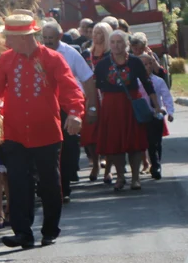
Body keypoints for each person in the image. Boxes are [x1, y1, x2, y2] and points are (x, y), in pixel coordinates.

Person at [0, 15, 84, 249]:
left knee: (49, 184)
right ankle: (23, 233)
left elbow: (69, 87)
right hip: (15, 133)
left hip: (46, 133)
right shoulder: (6, 60)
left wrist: (76, 112)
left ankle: (50, 230)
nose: (6, 41)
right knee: (17, 184)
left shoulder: (52, 59)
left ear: (24, 37)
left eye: (9, 36)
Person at [93, 31, 161, 191]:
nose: (116, 45)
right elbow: (96, 88)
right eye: (113, 42)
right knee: (115, 143)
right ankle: (120, 177)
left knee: (135, 142)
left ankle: (135, 178)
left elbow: (147, 83)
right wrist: (93, 108)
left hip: (131, 104)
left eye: (119, 42)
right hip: (111, 107)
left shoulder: (135, 62)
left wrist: (156, 105)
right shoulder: (102, 64)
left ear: (126, 44)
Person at [41, 20, 96, 202]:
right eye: (45, 38)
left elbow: (87, 79)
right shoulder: (37, 54)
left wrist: (92, 107)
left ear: (59, 36)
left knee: (67, 149)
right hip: (46, 108)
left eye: (51, 38)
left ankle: (63, 187)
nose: (47, 42)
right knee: (46, 149)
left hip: (67, 108)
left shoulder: (71, 54)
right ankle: (47, 187)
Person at [82, 22, 113, 183]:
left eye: (100, 33)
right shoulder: (87, 53)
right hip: (89, 96)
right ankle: (95, 162)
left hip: (105, 95)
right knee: (89, 132)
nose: (96, 36)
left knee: (107, 131)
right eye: (94, 32)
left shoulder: (110, 54)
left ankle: (108, 169)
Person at [141, 53, 174, 179]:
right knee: (148, 142)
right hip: (143, 115)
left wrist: (169, 112)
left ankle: (156, 164)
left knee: (156, 142)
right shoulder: (136, 82)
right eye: (144, 64)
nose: (148, 67)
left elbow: (166, 97)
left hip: (156, 115)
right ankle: (151, 164)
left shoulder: (158, 81)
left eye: (150, 64)